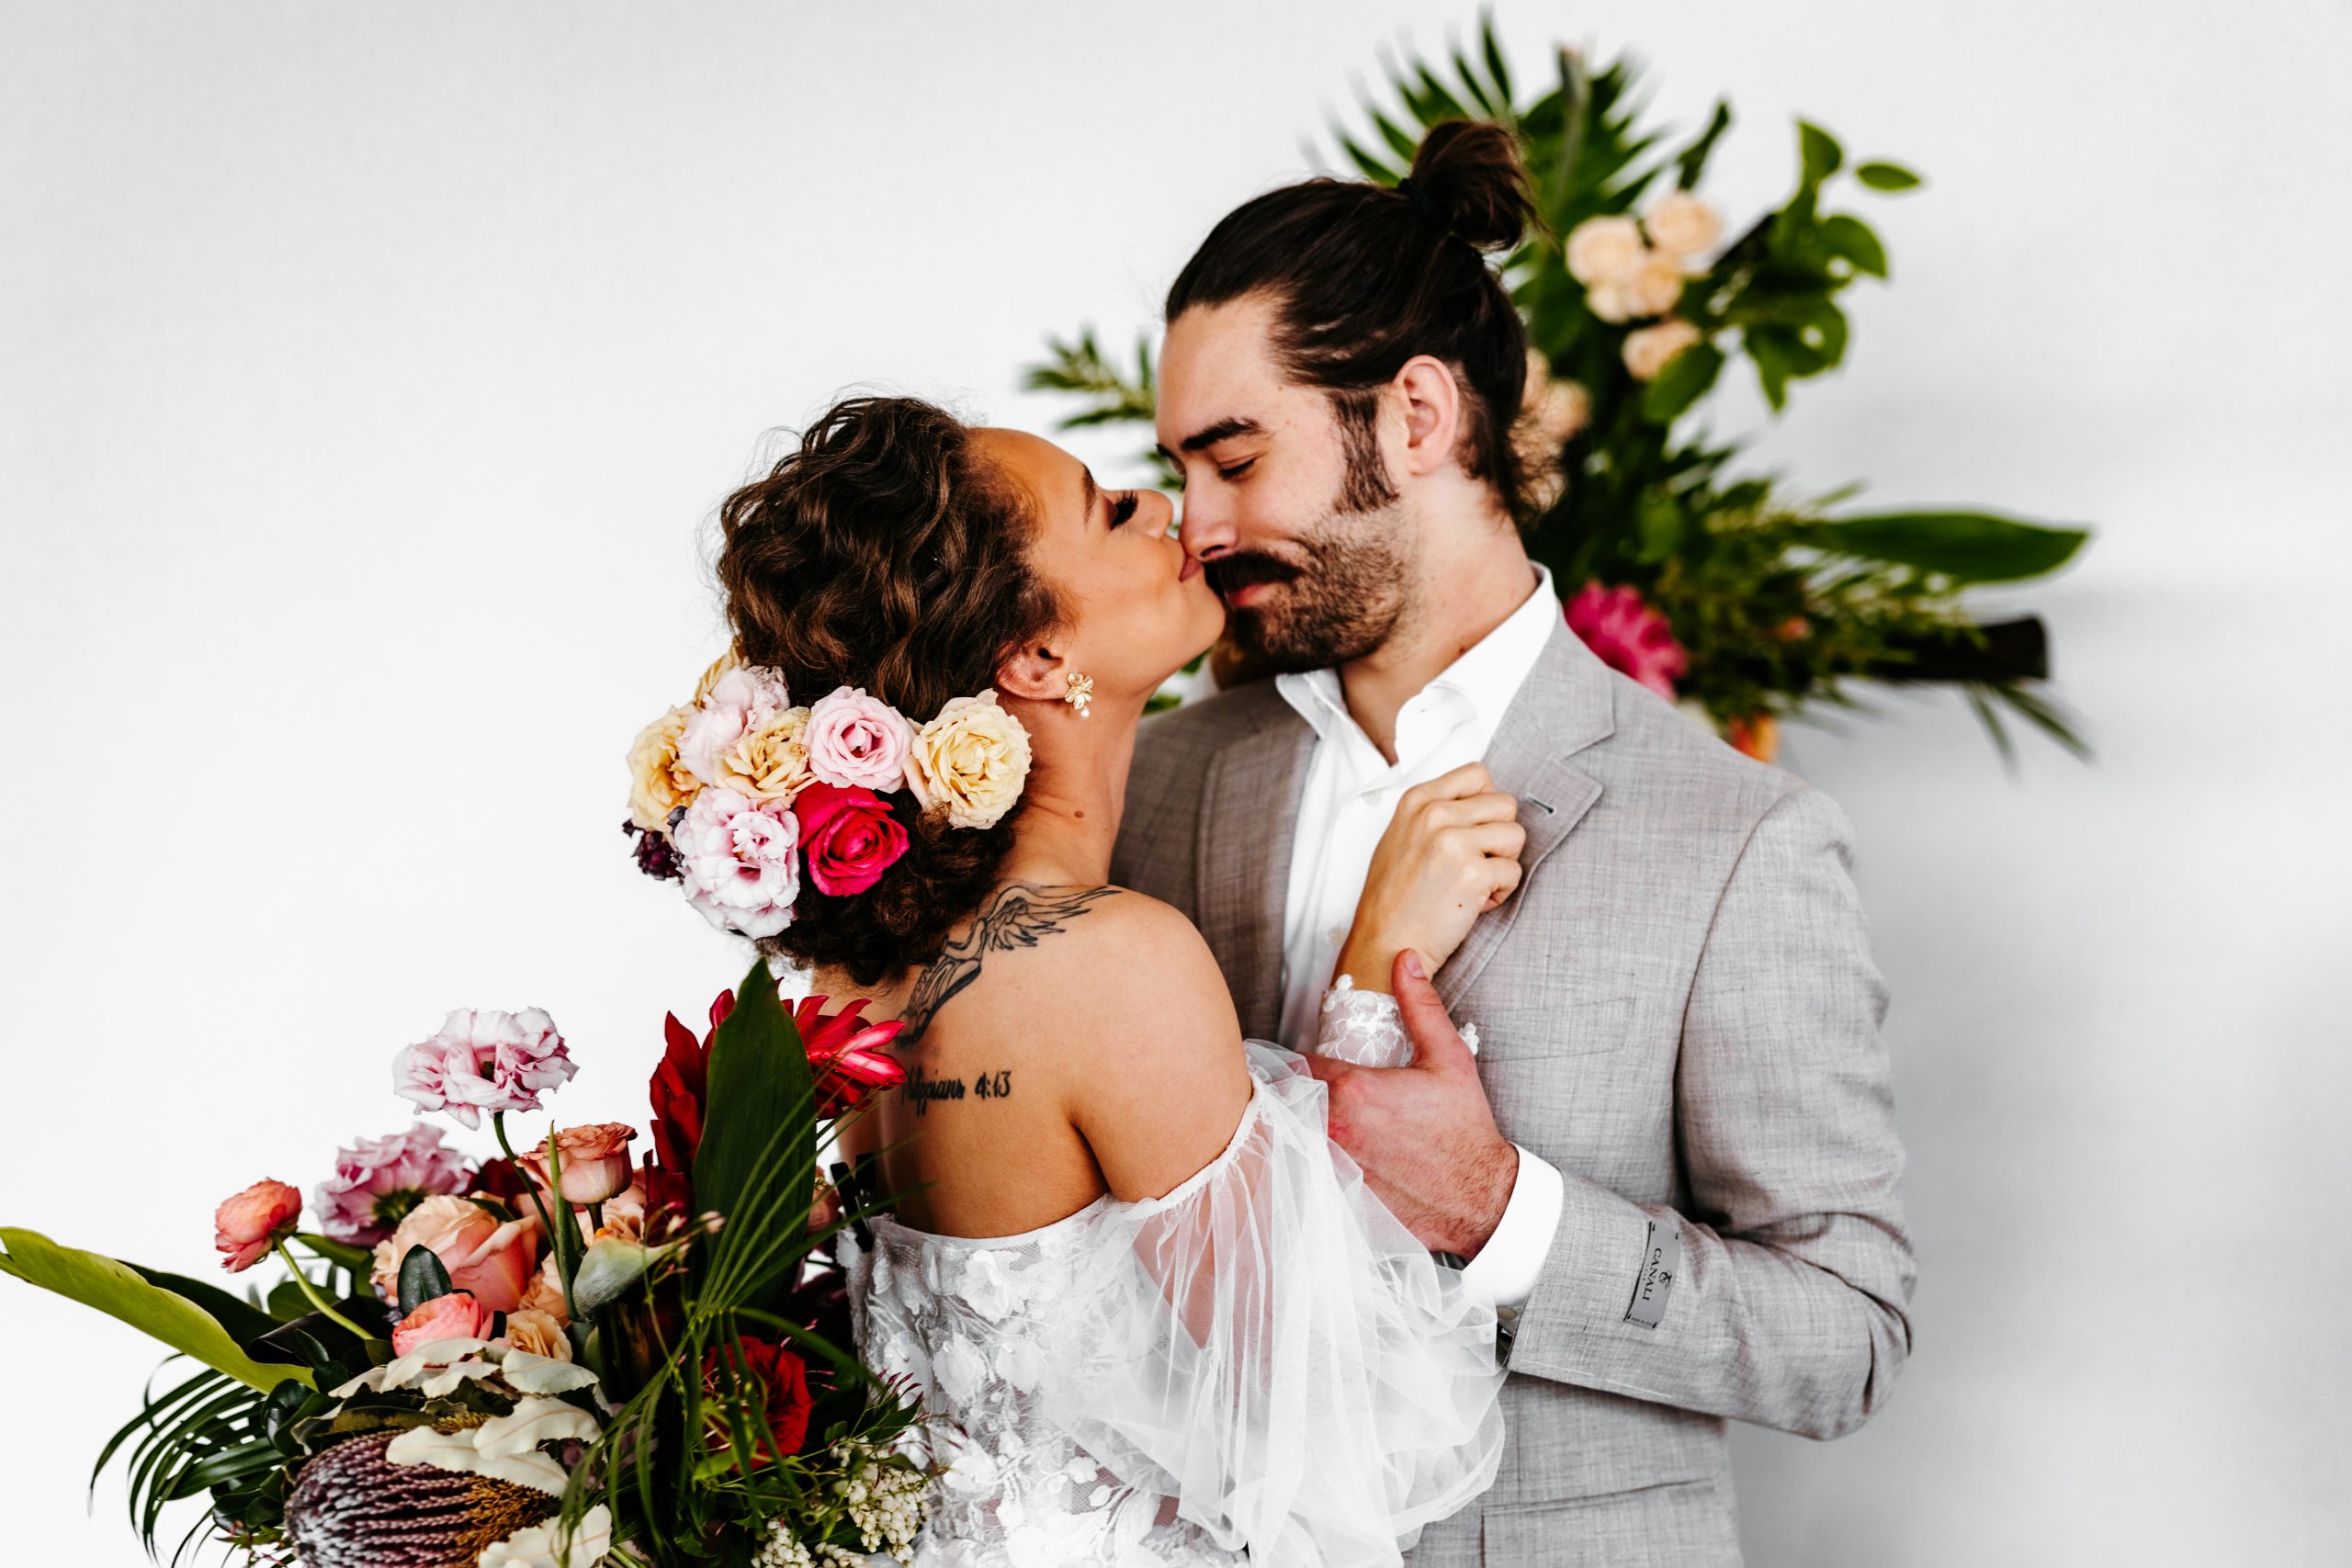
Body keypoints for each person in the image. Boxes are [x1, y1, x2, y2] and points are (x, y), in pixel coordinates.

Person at [1111, 120, 1917, 1564]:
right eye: (1181, 469)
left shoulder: (1740, 837)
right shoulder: (1152, 783)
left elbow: (1846, 1333)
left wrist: (1503, 1213)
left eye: (1235, 458)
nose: (1198, 526)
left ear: (1417, 418)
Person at [714, 394, 1522, 1567]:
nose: (1167, 509)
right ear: (1037, 656)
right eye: (1112, 508)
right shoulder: (1103, 958)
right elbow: (1340, 1424)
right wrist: (1368, 972)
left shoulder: (857, 979)